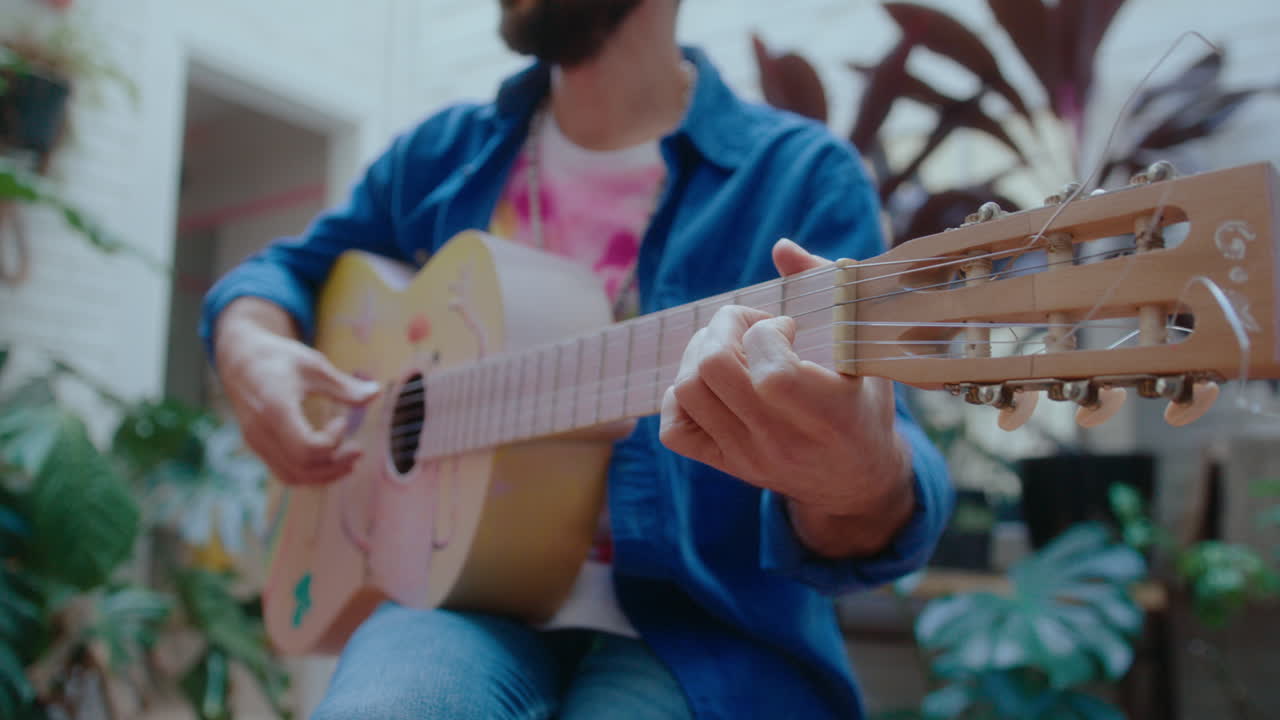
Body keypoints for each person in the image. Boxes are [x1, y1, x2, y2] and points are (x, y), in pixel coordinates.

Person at [200, 0, 953, 718]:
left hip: (704, 631)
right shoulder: (441, 156)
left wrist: (856, 482)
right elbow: (283, 275)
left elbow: (886, 477)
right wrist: (250, 346)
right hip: (452, 604)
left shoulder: (802, 177)